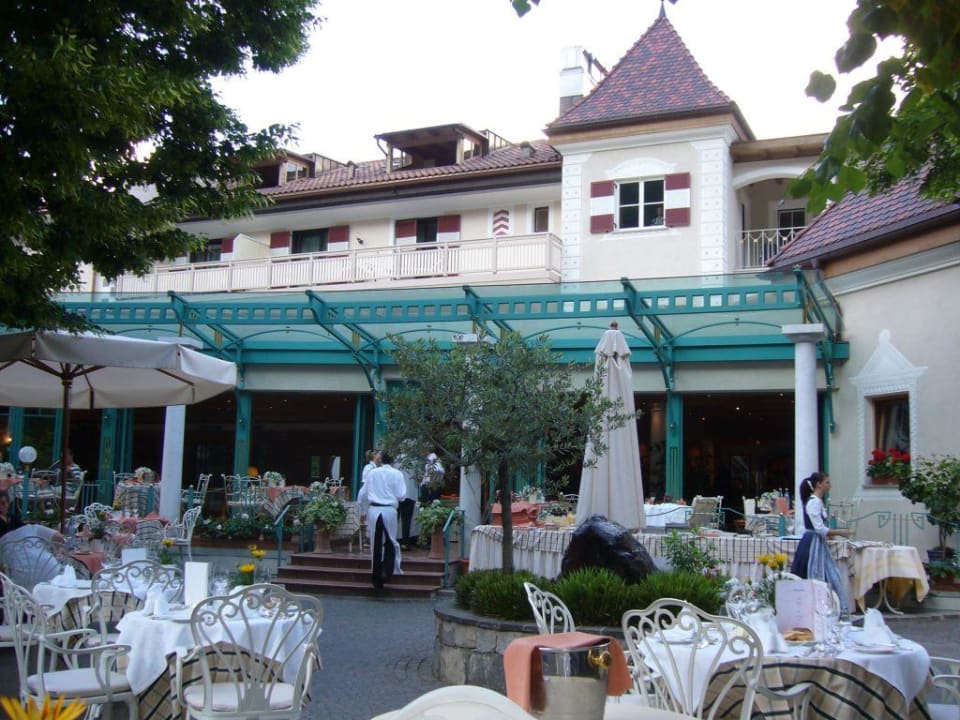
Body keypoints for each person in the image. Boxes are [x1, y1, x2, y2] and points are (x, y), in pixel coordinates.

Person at [790, 471, 852, 612]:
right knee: (814, 574)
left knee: (830, 574)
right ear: (818, 485)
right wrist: (842, 532)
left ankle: (833, 608)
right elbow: (819, 528)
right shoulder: (814, 502)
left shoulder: (817, 502)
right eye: (827, 482)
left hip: (817, 542)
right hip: (812, 543)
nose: (829, 485)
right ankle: (811, 609)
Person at [357, 451, 406, 588]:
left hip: (374, 509)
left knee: (376, 541)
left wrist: (361, 508)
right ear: (392, 461)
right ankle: (387, 570)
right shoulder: (397, 474)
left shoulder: (373, 473)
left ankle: (376, 575)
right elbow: (402, 495)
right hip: (389, 509)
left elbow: (363, 492)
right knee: (390, 540)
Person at [398, 456, 419, 551]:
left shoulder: (397, 460)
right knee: (406, 520)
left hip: (397, 494)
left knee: (395, 519)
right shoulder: (415, 460)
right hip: (409, 494)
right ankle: (405, 542)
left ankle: (391, 540)